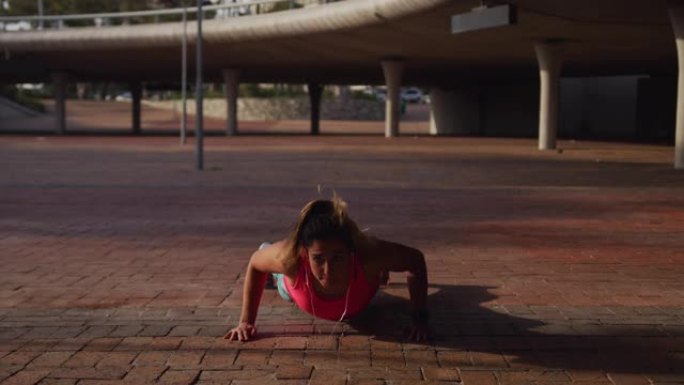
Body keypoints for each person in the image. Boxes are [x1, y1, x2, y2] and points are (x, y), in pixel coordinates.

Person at [224, 197, 430, 342]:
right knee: (278, 273)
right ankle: (268, 249)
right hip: (294, 289)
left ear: (351, 253)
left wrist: (419, 319)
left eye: (338, 258)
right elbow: (254, 264)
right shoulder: (291, 261)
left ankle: (380, 269)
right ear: (306, 254)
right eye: (318, 259)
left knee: (377, 259)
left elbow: (416, 261)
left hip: (367, 268)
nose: (328, 270)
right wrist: (245, 322)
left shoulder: (368, 258)